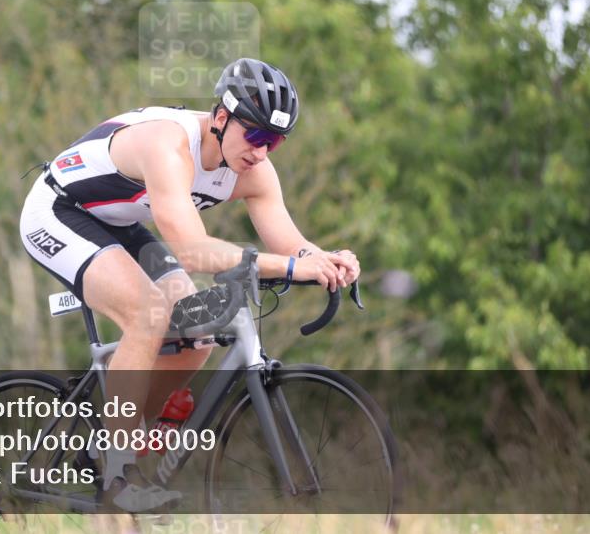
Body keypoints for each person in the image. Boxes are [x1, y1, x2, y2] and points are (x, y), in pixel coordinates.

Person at [19, 58, 361, 511]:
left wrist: (326, 260)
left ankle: (113, 442)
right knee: (148, 314)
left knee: (196, 332)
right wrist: (291, 267)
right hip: (60, 211)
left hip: (122, 221)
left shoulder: (253, 171)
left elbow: (291, 245)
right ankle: (119, 476)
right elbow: (190, 249)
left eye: (274, 142)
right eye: (255, 135)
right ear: (221, 118)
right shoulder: (168, 145)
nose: (262, 151)